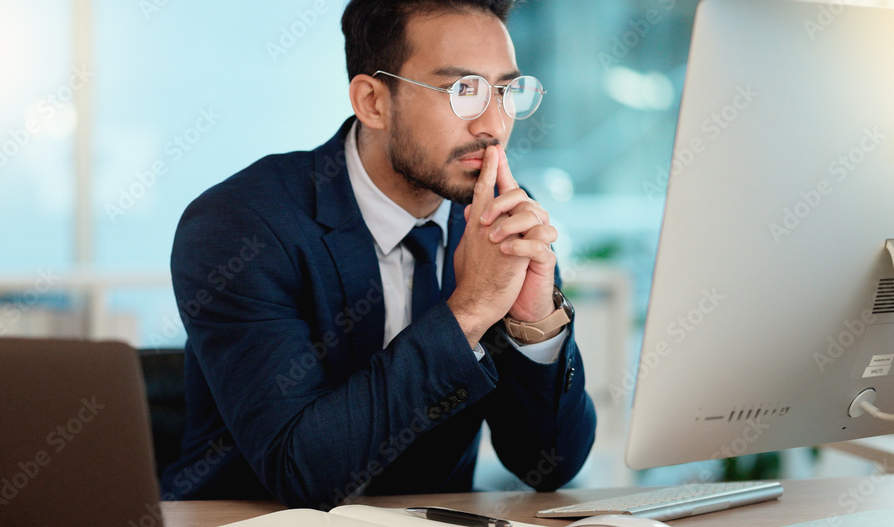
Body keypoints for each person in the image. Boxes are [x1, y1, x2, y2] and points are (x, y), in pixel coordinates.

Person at [161, 0, 596, 509]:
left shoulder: (501, 222)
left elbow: (548, 466)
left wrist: (534, 325)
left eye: (506, 91)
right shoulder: (241, 225)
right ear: (372, 102)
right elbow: (299, 474)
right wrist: (470, 312)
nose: (493, 125)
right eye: (463, 90)